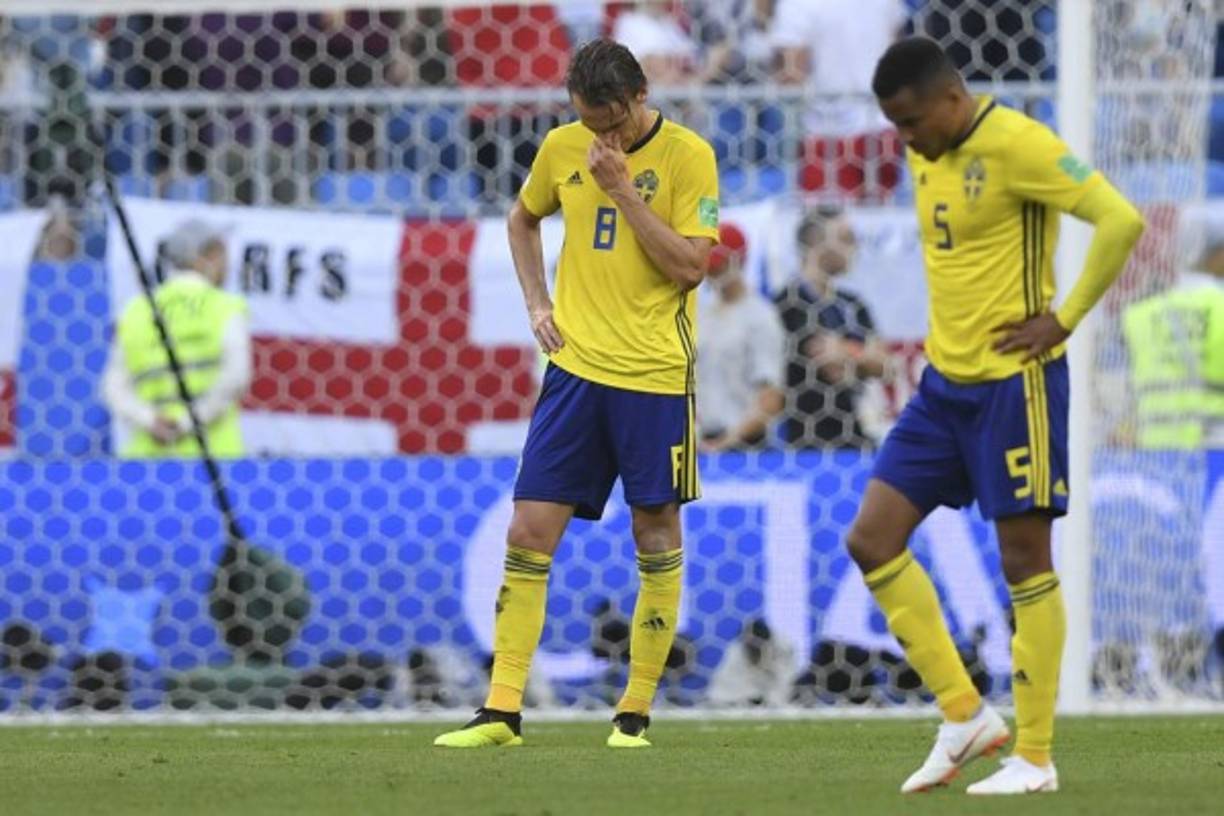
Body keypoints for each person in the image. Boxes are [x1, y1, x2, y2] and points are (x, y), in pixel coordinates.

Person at [847, 38, 1144, 795]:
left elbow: (1118, 221)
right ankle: (964, 713)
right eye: (894, 125)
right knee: (872, 539)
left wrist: (1066, 317)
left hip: (1018, 386)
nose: (905, 139)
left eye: (912, 121)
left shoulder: (1018, 144)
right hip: (944, 387)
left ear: (951, 98)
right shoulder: (926, 147)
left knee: (1023, 560)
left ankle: (1036, 758)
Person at [433, 38, 718, 749]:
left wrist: (623, 189)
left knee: (653, 534)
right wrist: (537, 304)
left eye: (611, 124)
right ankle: (501, 711)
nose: (600, 139)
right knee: (528, 530)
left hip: (654, 376)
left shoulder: (689, 157)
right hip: (575, 373)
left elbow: (690, 267)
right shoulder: (564, 146)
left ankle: (634, 712)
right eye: (589, 124)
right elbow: (523, 219)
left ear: (637, 97)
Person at [102, 219, 251, 458]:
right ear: (208, 255)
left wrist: (149, 420)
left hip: (148, 456)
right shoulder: (223, 307)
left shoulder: (137, 310)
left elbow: (114, 387)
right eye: (222, 252)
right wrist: (186, 422)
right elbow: (235, 377)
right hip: (214, 456)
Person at [775, 207, 888, 448]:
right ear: (816, 243)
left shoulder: (852, 303)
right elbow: (829, 366)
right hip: (809, 443)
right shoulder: (789, 302)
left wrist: (845, 351)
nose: (855, 247)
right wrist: (861, 355)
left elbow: (886, 366)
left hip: (859, 437)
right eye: (846, 239)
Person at [770, 0, 906, 199]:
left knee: (826, 224)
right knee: (881, 223)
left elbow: (792, 74)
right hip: (881, 127)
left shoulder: (797, 4)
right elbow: (899, 48)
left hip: (828, 135)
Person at [697, 222, 784, 450]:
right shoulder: (702, 315)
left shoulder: (760, 316)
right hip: (701, 441)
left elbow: (770, 397)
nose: (712, 273)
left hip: (744, 445)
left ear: (738, 261)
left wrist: (728, 442)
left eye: (719, 266)